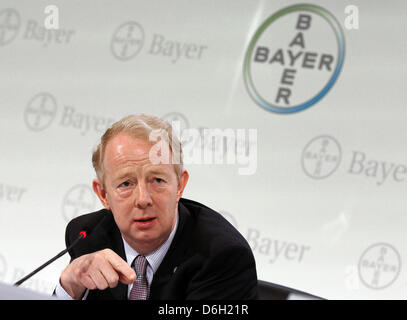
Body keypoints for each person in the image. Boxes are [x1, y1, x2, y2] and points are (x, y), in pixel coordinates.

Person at [55, 114, 258, 300]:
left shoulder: (222, 255)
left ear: (179, 185)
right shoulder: (86, 236)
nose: (143, 199)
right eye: (126, 183)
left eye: (158, 180)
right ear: (103, 194)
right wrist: (70, 284)